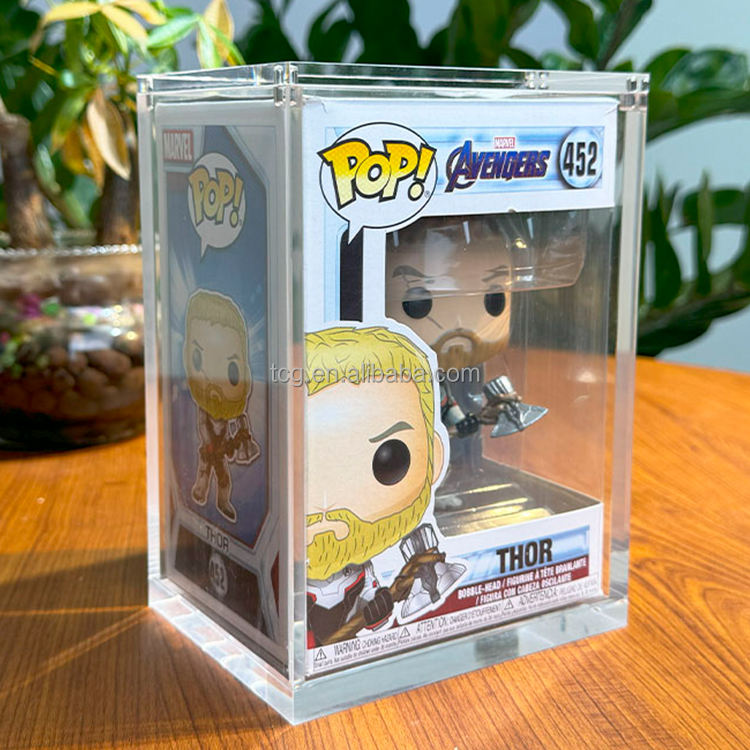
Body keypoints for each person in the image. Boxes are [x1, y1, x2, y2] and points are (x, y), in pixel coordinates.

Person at [183, 289, 259, 523]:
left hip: (220, 449)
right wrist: (210, 444)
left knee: (224, 478)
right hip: (210, 449)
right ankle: (200, 491)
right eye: (198, 359)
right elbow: (202, 426)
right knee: (204, 471)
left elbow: (235, 427)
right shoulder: (204, 409)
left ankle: (222, 501)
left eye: (232, 370)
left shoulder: (229, 412)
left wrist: (237, 436)